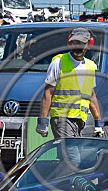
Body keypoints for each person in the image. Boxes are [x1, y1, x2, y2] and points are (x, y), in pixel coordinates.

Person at [37, 27, 104, 162]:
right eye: (75, 43)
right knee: (73, 160)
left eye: (82, 43)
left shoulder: (91, 66)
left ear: (89, 44)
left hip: (79, 120)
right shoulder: (59, 62)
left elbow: (91, 95)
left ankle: (55, 182)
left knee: (65, 159)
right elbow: (48, 92)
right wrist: (42, 121)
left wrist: (98, 122)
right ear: (70, 44)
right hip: (62, 119)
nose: (78, 47)